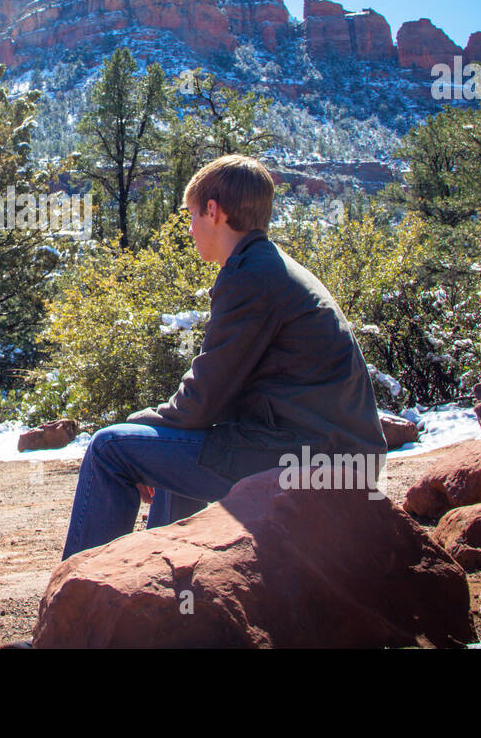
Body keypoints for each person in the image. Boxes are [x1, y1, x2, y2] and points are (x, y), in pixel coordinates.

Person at [60, 153, 388, 561]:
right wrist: (156, 444)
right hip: (334, 457)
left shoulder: (250, 276)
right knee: (176, 450)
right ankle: (156, 584)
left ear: (213, 211)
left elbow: (202, 401)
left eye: (191, 216)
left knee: (110, 448)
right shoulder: (270, 267)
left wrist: (135, 427)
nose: (191, 229)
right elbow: (214, 398)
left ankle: (81, 601)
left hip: (308, 459)